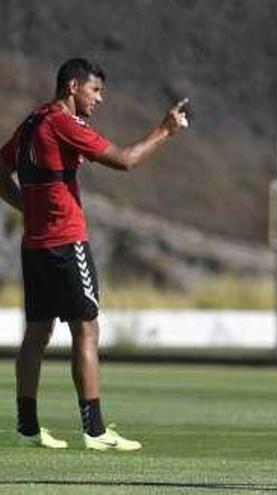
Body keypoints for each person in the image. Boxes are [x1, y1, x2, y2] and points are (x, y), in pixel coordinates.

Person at [0, 58, 189, 451]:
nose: (99, 99)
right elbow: (126, 160)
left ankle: (27, 426)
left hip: (35, 244)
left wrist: (27, 208)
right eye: (95, 90)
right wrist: (166, 130)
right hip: (66, 242)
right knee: (86, 327)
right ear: (73, 86)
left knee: (36, 333)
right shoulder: (63, 123)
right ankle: (96, 430)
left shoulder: (35, 120)